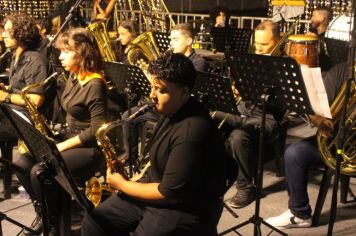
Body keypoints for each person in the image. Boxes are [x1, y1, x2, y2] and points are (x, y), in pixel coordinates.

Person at [81, 52, 229, 236]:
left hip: (183, 208)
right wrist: (134, 179)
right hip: (157, 190)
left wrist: (122, 184)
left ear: (184, 93)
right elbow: (158, 163)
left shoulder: (192, 131)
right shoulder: (171, 111)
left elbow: (167, 193)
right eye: (152, 87)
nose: (152, 95)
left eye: (161, 90)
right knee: (94, 223)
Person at [13, 27, 108, 235]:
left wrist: (62, 144)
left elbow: (96, 130)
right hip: (68, 137)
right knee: (21, 162)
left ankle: (54, 224)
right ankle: (44, 211)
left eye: (66, 51)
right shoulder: (74, 76)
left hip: (88, 148)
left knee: (40, 171)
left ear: (81, 52)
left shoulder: (94, 83)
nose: (60, 56)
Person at [265, 61, 349, 229]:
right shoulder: (343, 70)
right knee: (295, 153)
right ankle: (299, 213)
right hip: (337, 141)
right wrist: (320, 120)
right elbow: (314, 108)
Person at [212, 20, 283, 209]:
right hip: (243, 111)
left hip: (266, 117)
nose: (259, 49)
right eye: (257, 44)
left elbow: (284, 104)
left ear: (278, 41)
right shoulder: (251, 60)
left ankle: (246, 188)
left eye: (264, 44)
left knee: (238, 137)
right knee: (210, 118)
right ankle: (216, 175)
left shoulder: (284, 66)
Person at [0, 13, 52, 142]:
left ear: (21, 33)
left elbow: (35, 100)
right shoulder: (15, 56)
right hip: (15, 111)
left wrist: (5, 96)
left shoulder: (35, 61)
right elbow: (20, 87)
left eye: (8, 31)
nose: (3, 35)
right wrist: (6, 88)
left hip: (30, 120)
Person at [309, 6, 333, 71]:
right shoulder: (312, 32)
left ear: (322, 19)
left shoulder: (330, 36)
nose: (311, 19)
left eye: (314, 16)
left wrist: (317, 39)